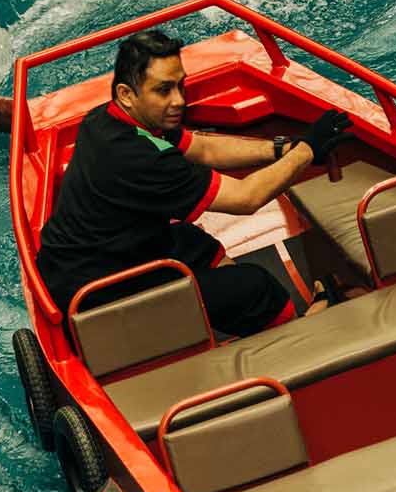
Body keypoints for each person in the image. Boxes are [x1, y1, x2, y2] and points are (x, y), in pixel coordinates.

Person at [33, 29, 355, 336]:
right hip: (96, 297)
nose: (178, 100)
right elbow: (246, 198)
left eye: (180, 86)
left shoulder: (105, 119)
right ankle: (301, 333)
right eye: (164, 90)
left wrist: (282, 149)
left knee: (189, 240)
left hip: (79, 263)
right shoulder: (142, 160)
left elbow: (203, 148)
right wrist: (306, 151)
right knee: (255, 287)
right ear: (126, 94)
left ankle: (235, 312)